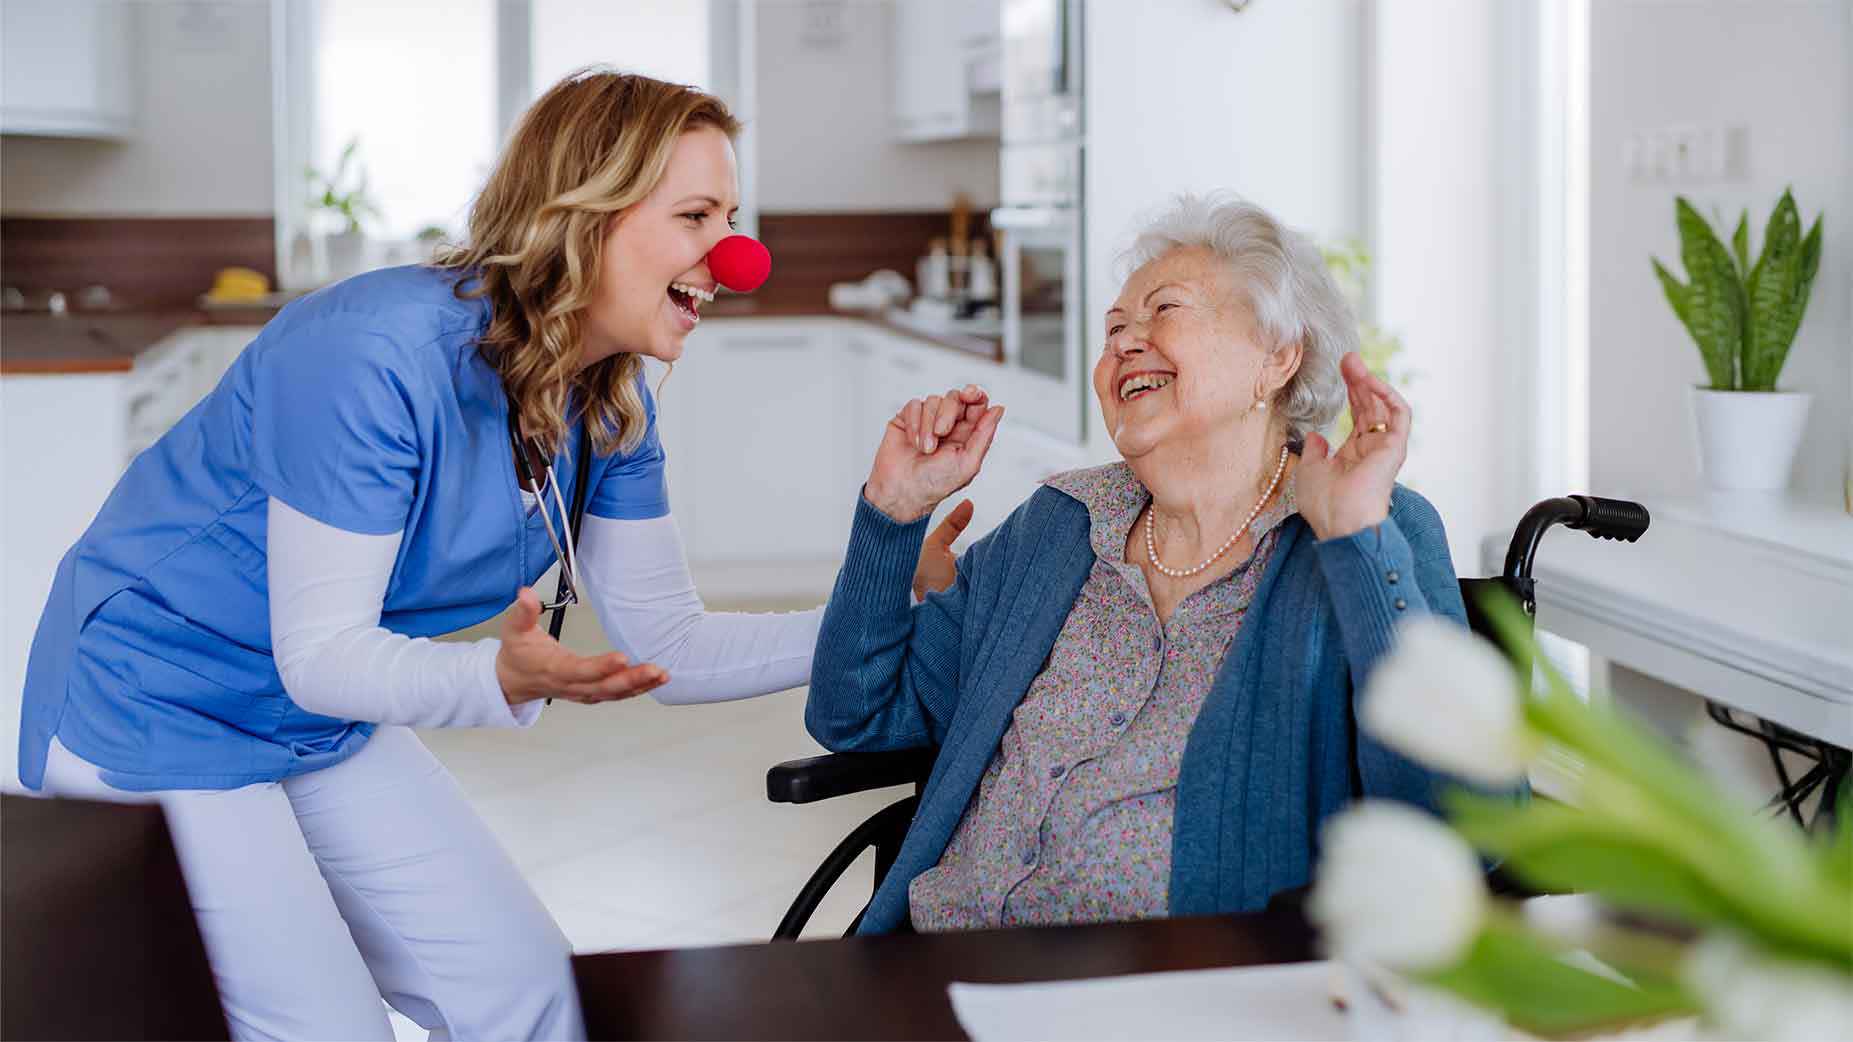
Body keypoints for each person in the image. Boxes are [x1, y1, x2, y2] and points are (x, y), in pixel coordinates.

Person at [15, 69, 955, 1040]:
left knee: (527, 991)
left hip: (321, 720)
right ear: (584, 213)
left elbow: (672, 643)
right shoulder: (373, 353)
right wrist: (491, 674)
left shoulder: (610, 403)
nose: (736, 256)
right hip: (158, 702)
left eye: (732, 214)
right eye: (696, 215)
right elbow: (322, 653)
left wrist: (887, 608)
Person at [805, 193, 1469, 936]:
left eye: (1164, 311)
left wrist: (1358, 542)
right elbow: (854, 716)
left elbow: (1461, 821)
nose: (1123, 342)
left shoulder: (1370, 526)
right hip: (936, 964)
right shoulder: (1057, 527)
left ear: (1276, 357)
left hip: (1176, 993)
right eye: (1113, 327)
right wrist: (891, 515)